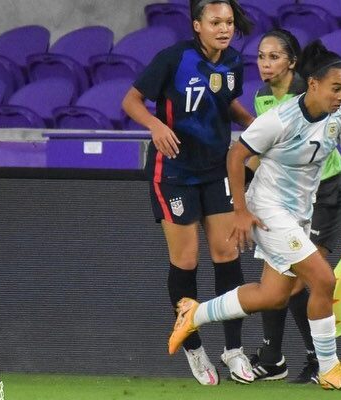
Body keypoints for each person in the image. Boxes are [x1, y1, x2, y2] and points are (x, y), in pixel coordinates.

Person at [168, 41, 341, 392]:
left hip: (299, 211)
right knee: (323, 280)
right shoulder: (280, 119)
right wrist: (240, 212)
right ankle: (329, 368)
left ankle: (194, 314)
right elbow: (235, 157)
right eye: (336, 88)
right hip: (267, 208)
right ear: (313, 84)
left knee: (272, 296)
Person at [121, 0, 257, 386]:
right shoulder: (173, 58)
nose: (224, 28)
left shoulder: (232, 61)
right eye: (215, 21)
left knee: (227, 253)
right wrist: (154, 126)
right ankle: (194, 348)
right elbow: (130, 100)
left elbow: (225, 102)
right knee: (185, 260)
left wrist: (257, 126)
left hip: (216, 170)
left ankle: (233, 349)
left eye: (229, 21)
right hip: (175, 172)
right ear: (197, 25)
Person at [246, 29, 341, 384]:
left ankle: (318, 360)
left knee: (305, 280)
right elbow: (265, 151)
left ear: (292, 63)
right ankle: (277, 358)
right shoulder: (262, 98)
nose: (265, 64)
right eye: (260, 56)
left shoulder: (316, 90)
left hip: (326, 194)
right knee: (280, 282)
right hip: (287, 199)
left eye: (273, 57)